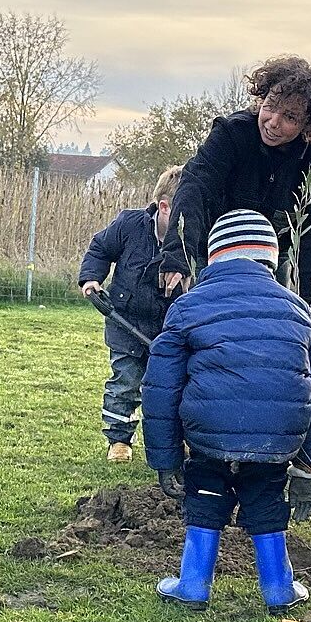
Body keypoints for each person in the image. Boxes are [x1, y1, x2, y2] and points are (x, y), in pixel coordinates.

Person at [143, 210, 311, 612]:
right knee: (265, 497)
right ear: (271, 260)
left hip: (208, 433)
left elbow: (161, 390)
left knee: (206, 493)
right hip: (277, 436)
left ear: (213, 258)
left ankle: (192, 585)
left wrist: (166, 458)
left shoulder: (188, 307)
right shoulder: (299, 311)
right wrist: (308, 466)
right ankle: (279, 588)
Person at [161, 57, 311, 319]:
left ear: (308, 124)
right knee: (207, 326)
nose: (272, 122)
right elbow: (194, 187)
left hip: (269, 262)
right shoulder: (230, 134)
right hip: (212, 255)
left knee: (268, 329)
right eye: (270, 107)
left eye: (290, 117)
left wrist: (309, 306)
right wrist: (178, 254)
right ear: (261, 99)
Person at [79, 166, 182, 463]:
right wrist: (91, 278)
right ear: (164, 207)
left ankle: (176, 439)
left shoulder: (190, 240)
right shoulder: (130, 225)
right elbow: (99, 249)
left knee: (171, 385)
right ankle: (119, 440)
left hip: (168, 327)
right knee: (125, 382)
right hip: (125, 321)